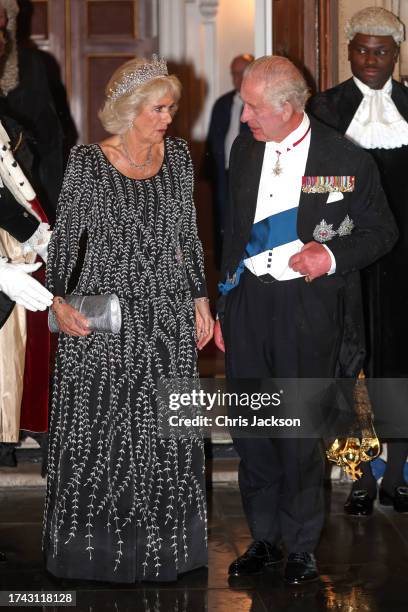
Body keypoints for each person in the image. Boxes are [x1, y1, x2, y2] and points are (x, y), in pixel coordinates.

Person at [214, 55, 397, 585]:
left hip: (307, 309)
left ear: (288, 107)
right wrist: (226, 304)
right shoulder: (245, 148)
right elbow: (232, 232)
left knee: (296, 433)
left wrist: (331, 257)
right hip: (249, 303)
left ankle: (300, 546)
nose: (243, 116)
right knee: (251, 430)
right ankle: (264, 539)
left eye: (252, 107)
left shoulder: (346, 159)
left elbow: (381, 232)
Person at [43, 55, 214, 583]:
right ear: (128, 110)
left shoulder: (181, 157)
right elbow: (66, 243)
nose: (168, 117)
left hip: (165, 314)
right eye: (158, 108)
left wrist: (199, 299)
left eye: (171, 107)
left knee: (163, 430)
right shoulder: (88, 162)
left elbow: (187, 237)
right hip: (105, 319)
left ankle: (165, 548)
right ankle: (95, 550)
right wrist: (55, 302)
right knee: (103, 430)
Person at [309, 6, 408, 516]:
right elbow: (312, 185)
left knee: (401, 364)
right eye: (362, 49)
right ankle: (360, 476)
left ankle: (399, 473)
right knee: (350, 366)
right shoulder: (324, 108)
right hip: (345, 258)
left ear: (397, 53)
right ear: (349, 51)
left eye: (382, 50)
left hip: (405, 264)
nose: (371, 59)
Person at [206, 54, 253, 267]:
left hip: (249, 175)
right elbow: (211, 142)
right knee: (223, 221)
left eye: (243, 73)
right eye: (234, 73)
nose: (238, 78)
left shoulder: (258, 103)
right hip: (224, 175)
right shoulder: (222, 104)